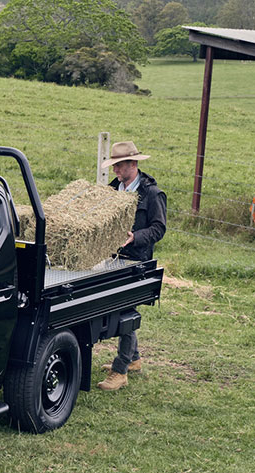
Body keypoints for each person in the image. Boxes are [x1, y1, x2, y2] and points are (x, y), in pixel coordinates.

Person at [97, 140, 166, 391]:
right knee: (119, 306)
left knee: (124, 310)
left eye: (119, 166)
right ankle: (134, 359)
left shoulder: (152, 194)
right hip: (114, 258)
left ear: (133, 164)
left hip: (137, 261)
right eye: (113, 166)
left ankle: (120, 370)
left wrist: (135, 237)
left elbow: (159, 228)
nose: (115, 171)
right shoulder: (113, 189)